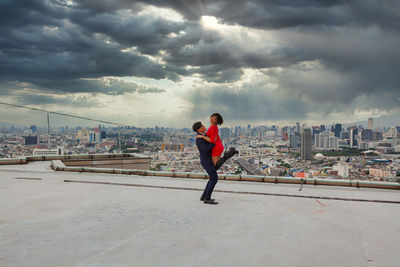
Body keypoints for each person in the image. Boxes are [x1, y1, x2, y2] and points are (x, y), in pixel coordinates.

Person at [192, 121, 218, 205]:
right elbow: (205, 149)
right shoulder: (199, 138)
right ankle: (207, 198)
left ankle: (204, 196)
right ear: (200, 128)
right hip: (206, 161)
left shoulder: (203, 136)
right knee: (214, 178)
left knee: (212, 178)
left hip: (208, 160)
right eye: (202, 125)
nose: (204, 126)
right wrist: (213, 144)